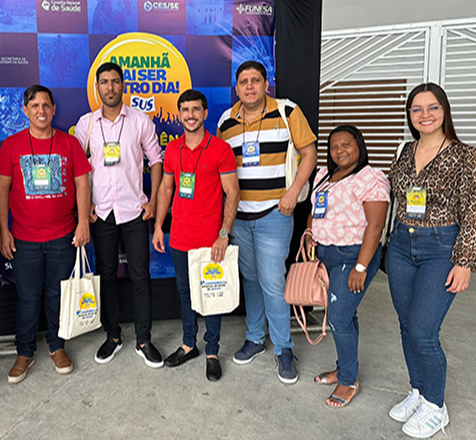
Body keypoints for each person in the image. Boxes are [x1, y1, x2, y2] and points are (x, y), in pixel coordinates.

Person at [386, 83, 476, 438]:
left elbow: (475, 211)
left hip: (441, 247)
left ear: (445, 111)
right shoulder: (405, 150)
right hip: (401, 244)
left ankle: (435, 405)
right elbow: (393, 193)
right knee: (406, 324)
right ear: (409, 115)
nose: (424, 115)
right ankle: (418, 390)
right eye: (417, 109)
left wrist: (465, 261)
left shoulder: (466, 155)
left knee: (423, 331)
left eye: (433, 107)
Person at [216, 60, 317, 384]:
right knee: (250, 278)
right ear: (236, 88)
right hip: (240, 218)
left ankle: (284, 348)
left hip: (276, 213)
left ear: (265, 84)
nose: (249, 86)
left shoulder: (287, 111)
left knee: (273, 281)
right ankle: (256, 338)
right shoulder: (225, 121)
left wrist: (293, 193)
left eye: (255, 80)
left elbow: (309, 153)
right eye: (244, 81)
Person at [0, 85, 91, 383]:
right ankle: (25, 352)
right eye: (34, 105)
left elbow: (83, 183)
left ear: (54, 109)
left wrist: (83, 222)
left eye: (46, 105)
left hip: (63, 236)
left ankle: (56, 346)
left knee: (57, 295)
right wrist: (4, 230)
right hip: (24, 239)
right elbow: (1, 189)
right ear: (25, 110)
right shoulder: (11, 145)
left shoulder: (69, 143)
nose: (41, 110)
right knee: (27, 297)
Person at [75, 62, 164, 368]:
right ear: (97, 87)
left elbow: (156, 161)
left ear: (123, 85)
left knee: (140, 277)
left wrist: (153, 201)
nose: (110, 87)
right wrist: (85, 206)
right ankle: (112, 336)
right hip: (101, 213)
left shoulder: (140, 121)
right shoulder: (86, 123)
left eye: (115, 81)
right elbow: (78, 168)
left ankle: (144, 340)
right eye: (104, 82)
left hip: (134, 210)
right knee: (107, 276)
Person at [153, 89, 239, 382]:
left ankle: (212, 351)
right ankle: (189, 344)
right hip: (180, 236)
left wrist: (224, 234)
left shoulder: (220, 149)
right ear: (179, 115)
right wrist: (158, 226)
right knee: (185, 291)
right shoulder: (172, 150)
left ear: (205, 113)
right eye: (185, 110)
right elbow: (167, 188)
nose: (190, 115)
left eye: (196, 109)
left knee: (211, 293)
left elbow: (232, 193)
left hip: (211, 239)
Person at [304, 125, 389, 407]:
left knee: (339, 318)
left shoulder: (370, 178)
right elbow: (315, 210)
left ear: (359, 146)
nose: (339, 151)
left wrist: (361, 267)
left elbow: (375, 226)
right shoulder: (323, 175)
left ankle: (349, 380)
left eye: (346, 145)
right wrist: (310, 234)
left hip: (352, 256)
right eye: (334, 147)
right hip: (326, 254)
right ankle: (344, 369)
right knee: (343, 315)